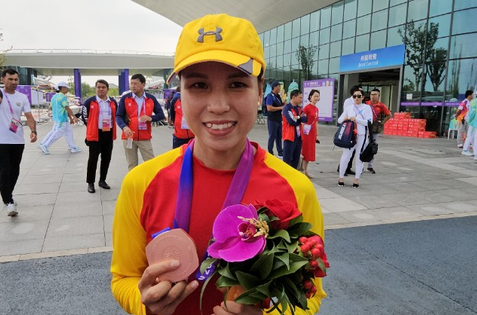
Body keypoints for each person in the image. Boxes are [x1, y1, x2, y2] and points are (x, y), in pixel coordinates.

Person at [110, 13, 326, 315]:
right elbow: (124, 277)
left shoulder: (296, 189)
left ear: (260, 88)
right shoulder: (141, 183)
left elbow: (310, 291)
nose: (219, 105)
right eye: (199, 85)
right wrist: (143, 302)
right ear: (180, 94)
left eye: (237, 84)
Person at [0, 68, 37, 216]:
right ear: (2, 79)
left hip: (17, 140)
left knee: (15, 170)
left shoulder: (22, 97)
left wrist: (33, 131)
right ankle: (9, 201)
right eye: (10, 79)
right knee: (4, 171)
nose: (13, 82)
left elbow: (29, 116)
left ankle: (7, 194)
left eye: (16, 79)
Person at [116, 74, 165, 170]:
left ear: (143, 84)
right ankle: (134, 185)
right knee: (132, 165)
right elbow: (118, 116)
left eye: (135, 84)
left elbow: (161, 115)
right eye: (131, 83)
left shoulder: (151, 99)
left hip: (144, 137)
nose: (133, 86)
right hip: (129, 136)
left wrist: (151, 118)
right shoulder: (125, 98)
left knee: (151, 164)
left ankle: (151, 184)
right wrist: (124, 127)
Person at [82, 79, 117, 193]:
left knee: (106, 159)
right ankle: (90, 183)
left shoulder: (112, 102)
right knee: (93, 159)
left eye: (103, 87)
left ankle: (102, 180)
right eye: (98, 87)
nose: (101, 89)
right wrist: (91, 126)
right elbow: (84, 116)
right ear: (95, 88)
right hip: (95, 134)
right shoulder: (89, 102)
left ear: (107, 89)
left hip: (108, 133)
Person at [337, 90, 372, 188]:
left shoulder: (367, 108)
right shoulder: (349, 108)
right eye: (354, 96)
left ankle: (356, 179)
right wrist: (346, 118)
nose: (356, 98)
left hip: (361, 135)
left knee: (359, 157)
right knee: (346, 156)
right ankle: (341, 177)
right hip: (350, 135)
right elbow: (339, 120)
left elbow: (369, 122)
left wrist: (357, 119)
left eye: (359, 96)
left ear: (363, 97)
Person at [38, 82, 80, 155]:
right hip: (61, 119)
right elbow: (67, 108)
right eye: (67, 88)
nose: (67, 90)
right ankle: (45, 145)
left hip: (58, 118)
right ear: (62, 88)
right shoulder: (63, 97)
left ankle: (72, 147)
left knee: (68, 132)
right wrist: (74, 117)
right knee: (58, 133)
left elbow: (57, 108)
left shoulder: (54, 97)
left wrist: (70, 118)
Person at [337, 85, 363, 176]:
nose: (358, 97)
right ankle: (342, 168)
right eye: (357, 93)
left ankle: (348, 167)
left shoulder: (364, 106)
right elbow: (345, 115)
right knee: (347, 149)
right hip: (349, 128)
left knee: (354, 151)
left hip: (358, 130)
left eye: (360, 95)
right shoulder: (348, 102)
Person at [365, 88, 391, 174]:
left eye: (375, 95)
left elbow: (389, 115)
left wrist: (381, 123)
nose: (373, 96)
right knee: (363, 145)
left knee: (373, 146)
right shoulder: (366, 103)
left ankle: (370, 166)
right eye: (372, 94)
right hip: (364, 126)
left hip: (374, 128)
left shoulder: (381, 106)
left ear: (379, 96)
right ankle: (360, 166)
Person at [282, 89, 307, 169]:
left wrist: (298, 117)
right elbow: (291, 121)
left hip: (299, 137)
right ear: (293, 97)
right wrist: (300, 118)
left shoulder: (299, 108)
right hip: (289, 137)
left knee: (296, 160)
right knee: (287, 160)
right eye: (300, 98)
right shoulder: (287, 108)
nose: (301, 100)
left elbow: (305, 119)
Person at [462, 89, 477, 157]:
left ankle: (476, 151)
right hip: (473, 122)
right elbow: (472, 113)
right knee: (470, 136)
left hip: (475, 121)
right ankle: (465, 150)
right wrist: (470, 120)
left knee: (474, 136)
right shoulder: (476, 102)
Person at [301, 89, 320, 179]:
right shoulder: (307, 108)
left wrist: (316, 134)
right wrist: (301, 132)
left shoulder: (316, 109)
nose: (316, 98)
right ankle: (302, 170)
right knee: (305, 151)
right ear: (310, 97)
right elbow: (303, 120)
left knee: (309, 152)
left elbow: (316, 122)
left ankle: (306, 170)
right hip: (306, 132)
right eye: (314, 96)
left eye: (317, 96)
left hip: (312, 132)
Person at [265, 81, 284, 156]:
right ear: (274, 87)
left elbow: (281, 105)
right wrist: (280, 108)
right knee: (272, 136)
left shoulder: (278, 96)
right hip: (272, 119)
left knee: (279, 136)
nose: (280, 88)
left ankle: (280, 151)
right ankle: (270, 151)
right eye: (279, 86)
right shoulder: (270, 96)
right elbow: (269, 108)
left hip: (279, 119)